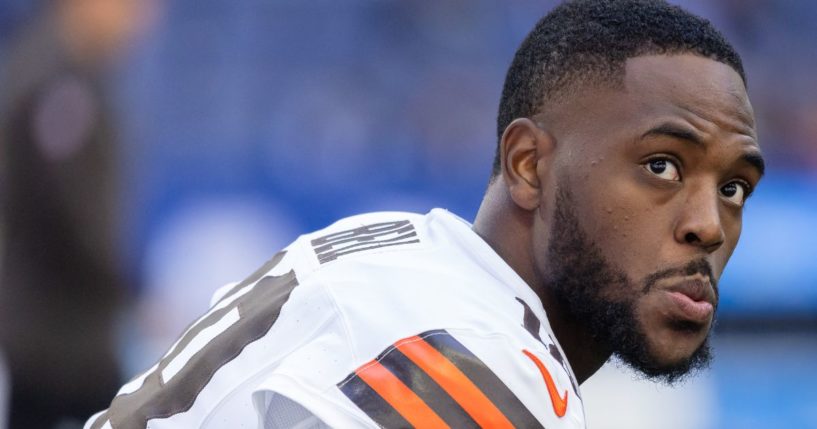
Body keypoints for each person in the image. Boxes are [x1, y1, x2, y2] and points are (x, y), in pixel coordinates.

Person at [85, 0, 765, 427]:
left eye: (734, 186)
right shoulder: (481, 359)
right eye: (661, 167)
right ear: (528, 164)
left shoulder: (404, 248)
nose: (707, 223)